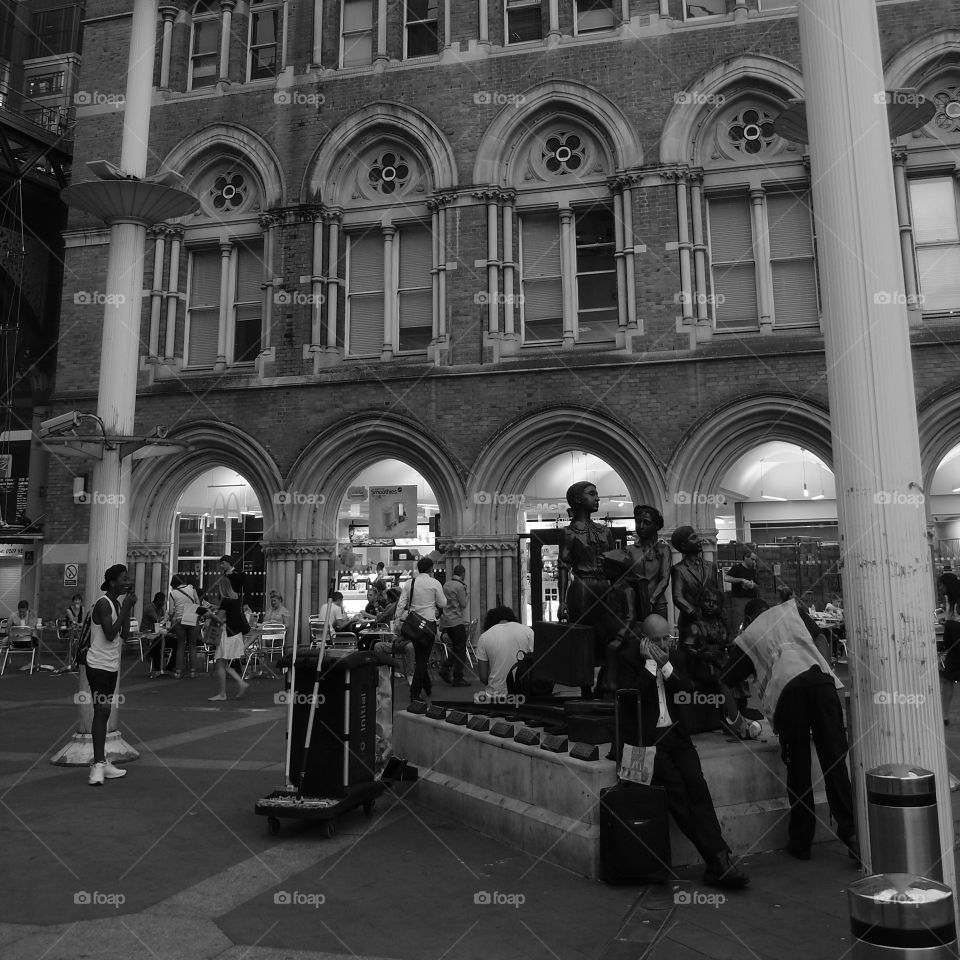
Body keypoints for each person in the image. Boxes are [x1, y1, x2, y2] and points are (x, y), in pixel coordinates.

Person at [611, 614, 750, 890]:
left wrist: (666, 667)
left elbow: (688, 688)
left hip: (676, 735)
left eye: (668, 638)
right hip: (648, 741)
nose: (665, 644)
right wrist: (651, 665)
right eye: (659, 640)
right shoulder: (627, 657)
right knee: (678, 793)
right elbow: (630, 697)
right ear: (645, 640)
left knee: (698, 786)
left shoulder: (675, 657)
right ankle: (718, 859)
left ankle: (718, 858)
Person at [720, 598, 857, 863]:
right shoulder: (791, 611)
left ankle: (801, 841)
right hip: (821, 684)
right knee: (835, 762)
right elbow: (822, 641)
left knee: (798, 767)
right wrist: (823, 670)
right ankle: (851, 833)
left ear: (748, 620)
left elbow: (724, 681)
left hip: (789, 694)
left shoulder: (749, 635)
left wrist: (737, 720)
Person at [559, 481, 617, 698]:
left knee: (608, 635)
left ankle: (606, 681)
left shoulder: (605, 531)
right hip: (582, 588)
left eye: (597, 494)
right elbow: (563, 566)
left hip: (606, 587)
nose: (597, 498)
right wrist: (563, 601)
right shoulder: (568, 533)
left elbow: (614, 564)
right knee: (584, 637)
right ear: (577, 500)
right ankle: (585, 688)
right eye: (592, 494)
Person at [86, 564, 137, 786]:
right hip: (97, 665)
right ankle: (97, 765)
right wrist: (125, 608)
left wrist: (126, 608)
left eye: (128, 578)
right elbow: (109, 634)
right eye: (124, 578)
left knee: (105, 713)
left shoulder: (117, 603)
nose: (128, 581)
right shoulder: (103, 603)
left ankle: (103, 761)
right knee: (102, 709)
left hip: (111, 665)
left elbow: (124, 633)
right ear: (112, 582)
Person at [394, 557, 447, 702]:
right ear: (431, 569)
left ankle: (427, 686)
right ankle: (415, 693)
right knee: (423, 659)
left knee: (420, 657)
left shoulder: (410, 583)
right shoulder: (435, 583)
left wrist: (397, 621)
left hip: (413, 626)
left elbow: (401, 604)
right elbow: (443, 603)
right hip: (428, 626)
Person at [670, 526, 720, 646]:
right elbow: (677, 596)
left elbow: (716, 592)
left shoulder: (710, 566)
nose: (699, 540)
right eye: (693, 538)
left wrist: (716, 612)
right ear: (683, 546)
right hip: (689, 623)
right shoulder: (679, 569)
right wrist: (695, 612)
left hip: (710, 621)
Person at [204, 577, 251, 701]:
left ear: (222, 588)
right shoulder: (235, 599)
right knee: (223, 664)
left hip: (227, 635)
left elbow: (219, 618)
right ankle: (240, 683)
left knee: (220, 663)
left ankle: (222, 693)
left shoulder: (225, 601)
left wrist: (209, 614)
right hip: (236, 634)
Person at [476, 606, 534, 697]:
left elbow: (483, 677)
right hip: (526, 691)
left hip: (497, 694)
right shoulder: (528, 631)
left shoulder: (484, 637)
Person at [627, 505, 672, 620]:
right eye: (638, 522)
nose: (641, 526)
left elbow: (664, 578)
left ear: (656, 526)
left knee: (658, 635)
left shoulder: (663, 549)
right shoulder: (629, 550)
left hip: (657, 605)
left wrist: (652, 600)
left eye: (646, 523)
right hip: (635, 605)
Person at [439, 564, 471, 687]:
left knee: (457, 647)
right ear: (463, 574)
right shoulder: (459, 586)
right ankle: (456, 675)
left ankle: (447, 669)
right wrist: (467, 593)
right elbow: (463, 604)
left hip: (447, 621)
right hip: (456, 621)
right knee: (461, 648)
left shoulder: (446, 584)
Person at [167, 574, 200, 679]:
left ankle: (178, 672)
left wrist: (170, 617)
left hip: (179, 621)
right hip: (192, 619)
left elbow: (171, 611)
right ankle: (193, 672)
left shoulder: (173, 594)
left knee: (180, 646)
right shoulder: (191, 588)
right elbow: (198, 603)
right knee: (192, 646)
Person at [940, 568, 960, 723]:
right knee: (947, 679)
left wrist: (950, 624)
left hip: (957, 644)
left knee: (947, 680)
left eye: (942, 585)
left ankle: (945, 714)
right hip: (954, 646)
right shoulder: (950, 600)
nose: (940, 588)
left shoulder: (957, 600)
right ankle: (944, 714)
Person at [724, 551, 760, 635]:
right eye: (752, 559)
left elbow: (757, 585)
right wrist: (741, 580)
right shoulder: (737, 568)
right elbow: (726, 578)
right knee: (739, 622)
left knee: (751, 622)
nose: (754, 562)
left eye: (755, 560)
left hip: (751, 600)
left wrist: (752, 584)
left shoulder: (753, 570)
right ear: (745, 558)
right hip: (739, 600)